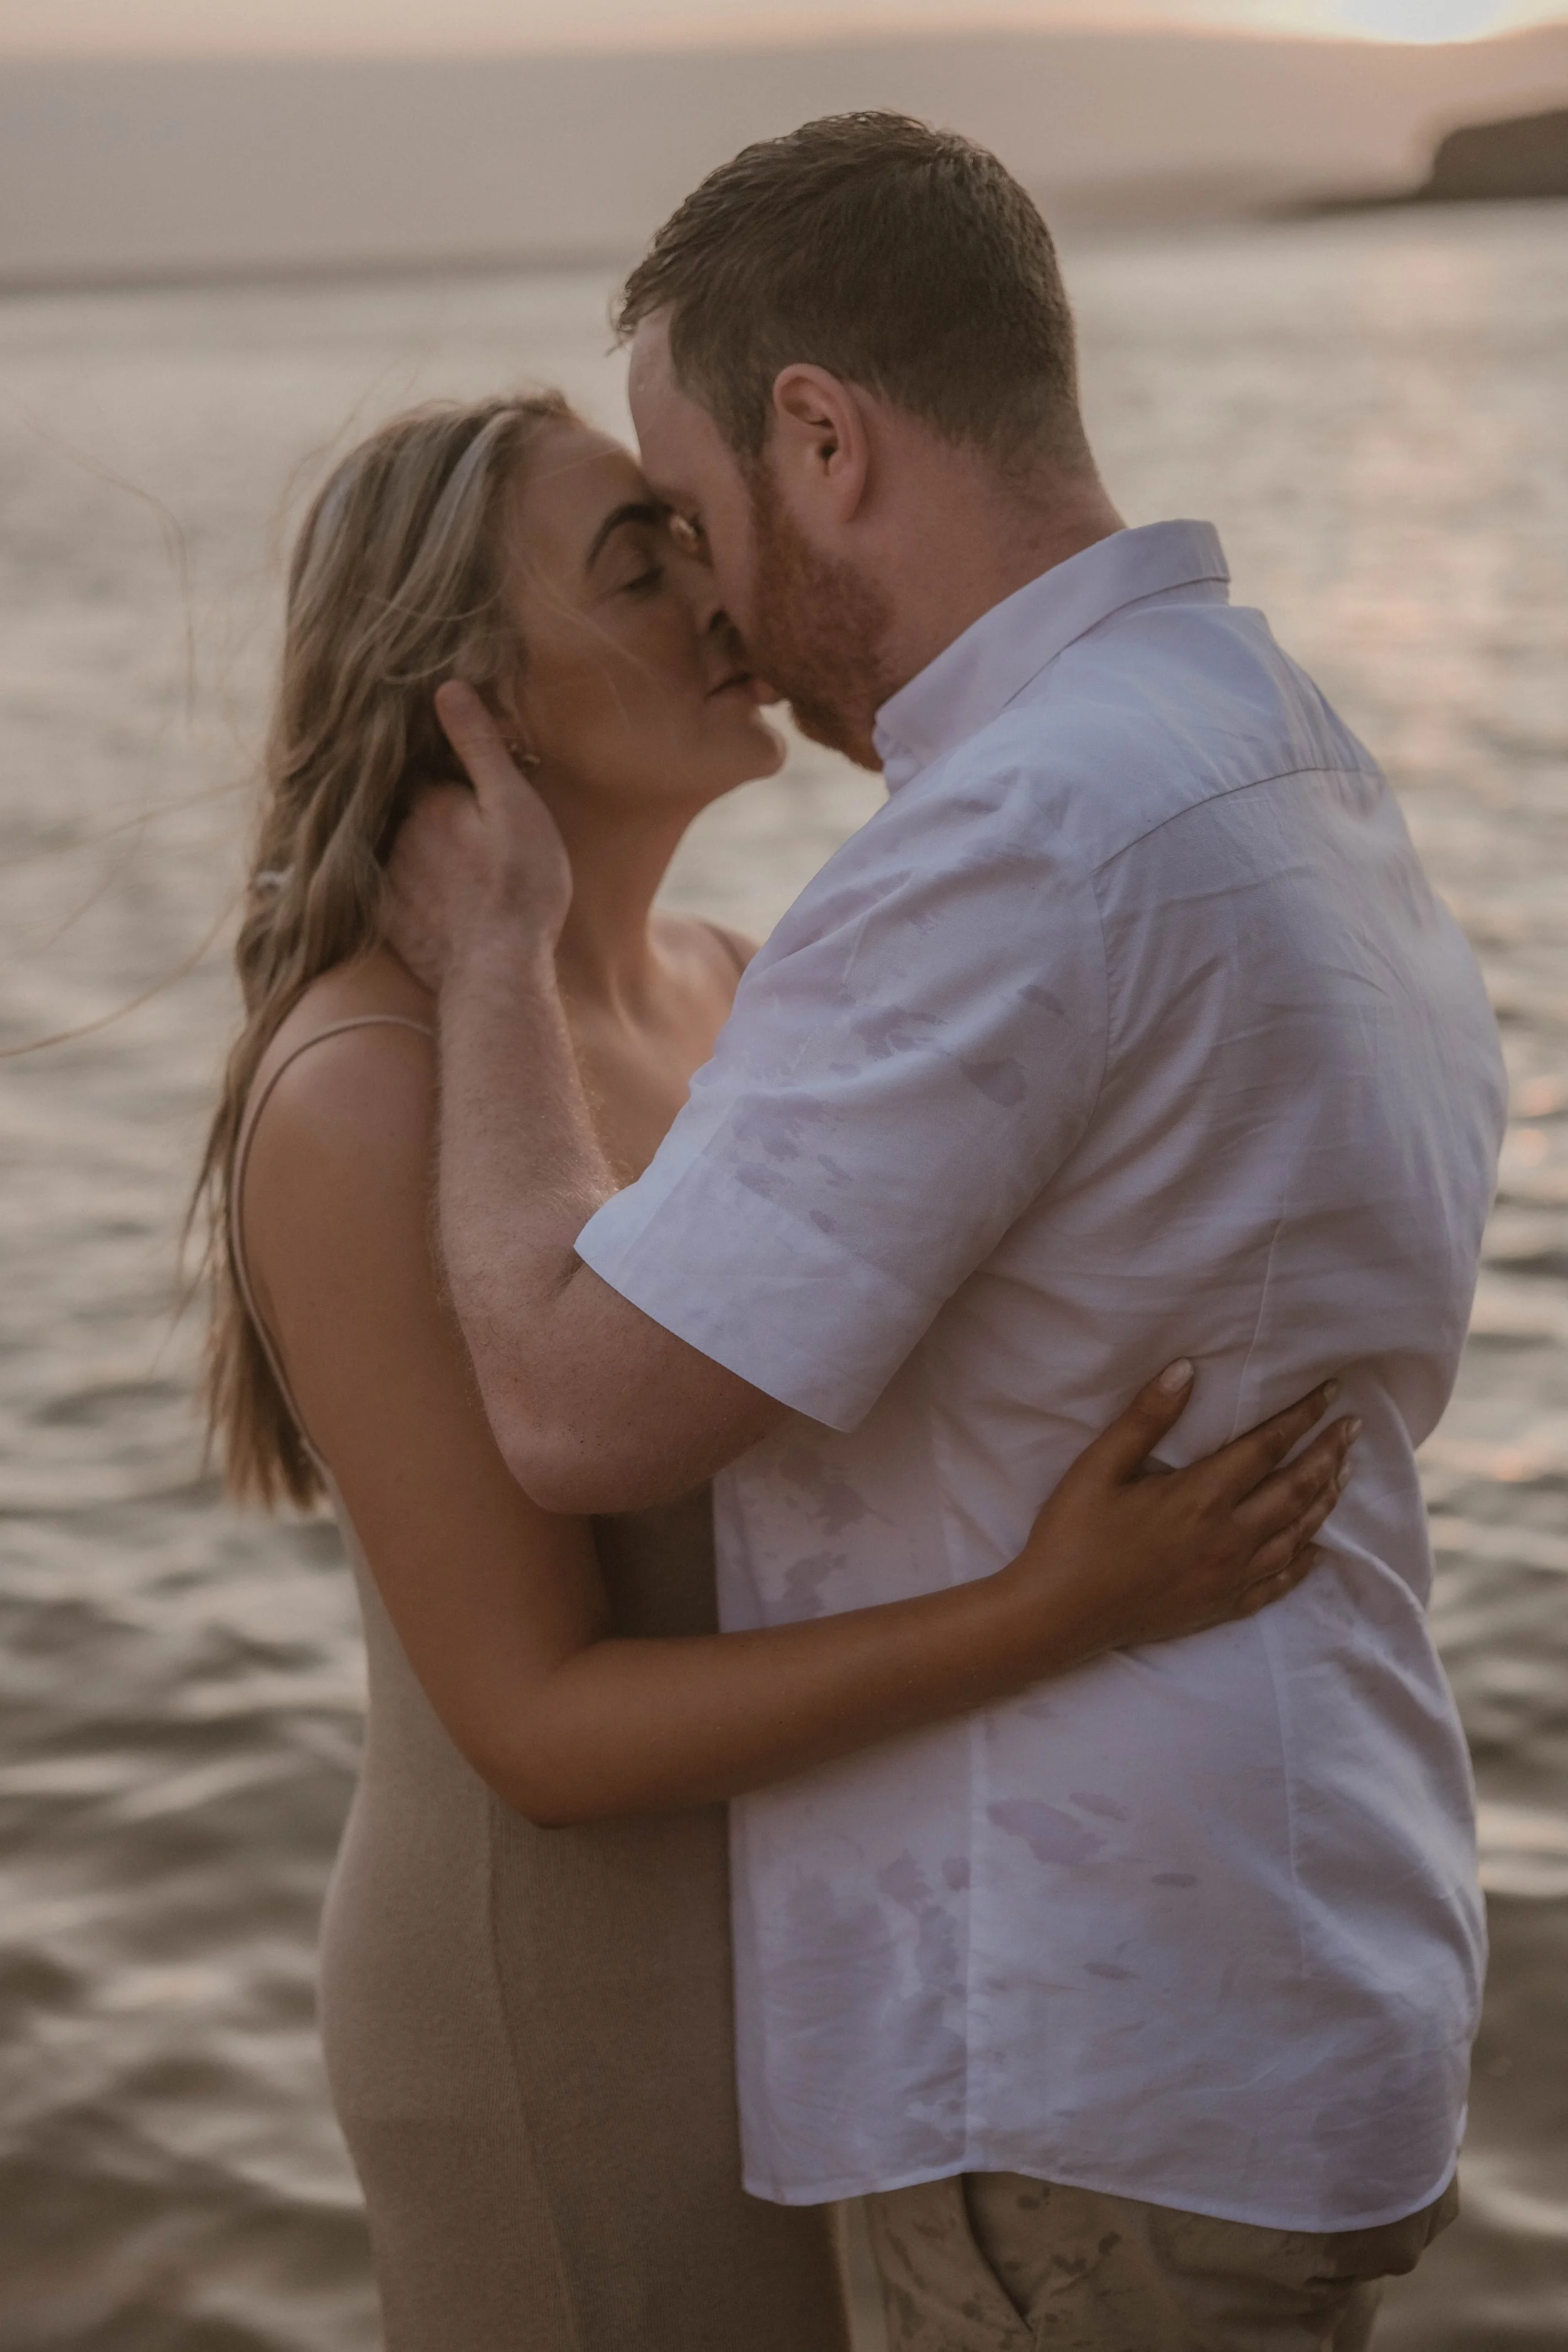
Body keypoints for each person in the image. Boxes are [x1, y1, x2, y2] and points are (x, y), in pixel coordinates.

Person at [386, 114, 1508, 2352]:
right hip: (1279, 1964)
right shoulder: (1268, 743)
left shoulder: (1019, 839)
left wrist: (496, 960)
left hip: (1090, 2056)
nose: (713, 596)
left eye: (696, 515)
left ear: (822, 439)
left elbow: (572, 1407)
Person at [195, 390, 1351, 2352]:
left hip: (827, 1986)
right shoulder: (363, 1091)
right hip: (573, 2013)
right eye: (631, 570)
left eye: (686, 533)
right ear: (471, 697)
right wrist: (1053, 1612)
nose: (716, 593)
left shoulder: (744, 985)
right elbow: (539, 1732)